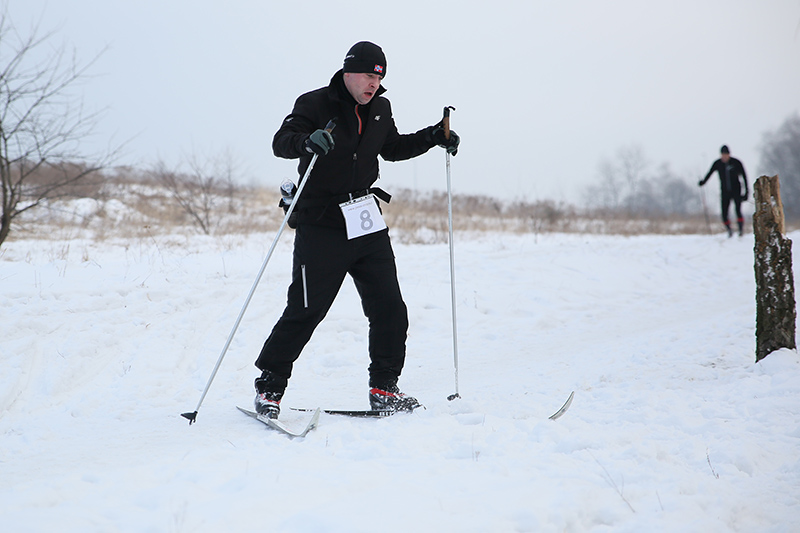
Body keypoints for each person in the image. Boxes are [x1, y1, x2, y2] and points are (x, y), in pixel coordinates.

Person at [253, 41, 460, 419]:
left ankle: (384, 388)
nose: (374, 84)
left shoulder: (381, 108)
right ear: (349, 72)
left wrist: (434, 136)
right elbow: (281, 143)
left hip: (365, 219)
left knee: (390, 307)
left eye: (379, 78)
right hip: (321, 221)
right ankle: (270, 386)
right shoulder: (313, 104)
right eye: (368, 76)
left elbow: (392, 148)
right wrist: (306, 141)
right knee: (306, 309)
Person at [698, 145, 749, 237]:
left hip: (736, 190)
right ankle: (729, 230)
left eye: (726, 154)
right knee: (724, 213)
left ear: (729, 154)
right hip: (725, 191)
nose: (724, 156)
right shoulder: (718, 163)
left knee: (738, 210)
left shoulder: (736, 162)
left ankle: (740, 230)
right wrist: (703, 182)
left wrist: (746, 193)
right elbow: (710, 173)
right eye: (723, 155)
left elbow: (744, 177)